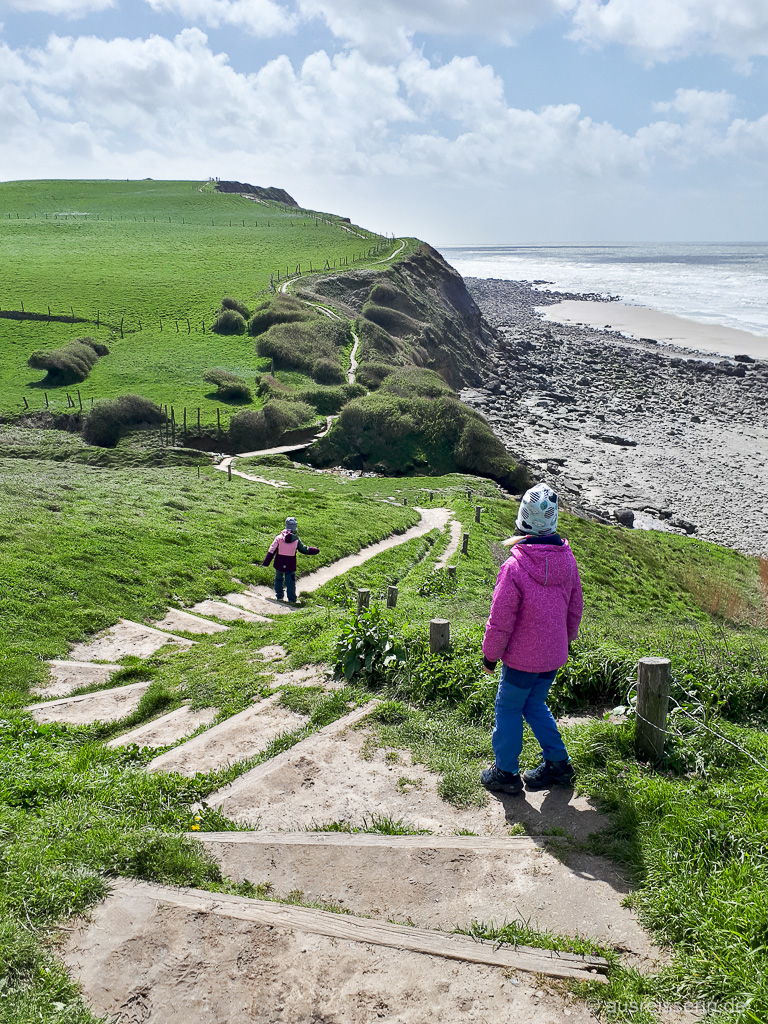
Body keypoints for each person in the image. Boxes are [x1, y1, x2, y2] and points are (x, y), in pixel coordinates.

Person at [480, 482, 583, 795]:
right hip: (552, 656)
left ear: (522, 517)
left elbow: (500, 620)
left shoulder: (514, 566)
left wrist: (490, 656)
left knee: (509, 708)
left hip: (523, 659)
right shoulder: (568, 560)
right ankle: (558, 764)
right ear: (552, 520)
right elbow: (575, 608)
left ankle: (506, 772)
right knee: (534, 704)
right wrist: (565, 640)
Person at [263, 517, 319, 604]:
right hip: (290, 563)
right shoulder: (296, 540)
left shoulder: (278, 538)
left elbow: (272, 550)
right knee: (290, 582)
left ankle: (279, 597)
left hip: (279, 562)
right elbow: (305, 549)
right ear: (295, 528)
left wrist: (266, 562)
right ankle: (292, 599)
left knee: (278, 579)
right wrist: (316, 550)